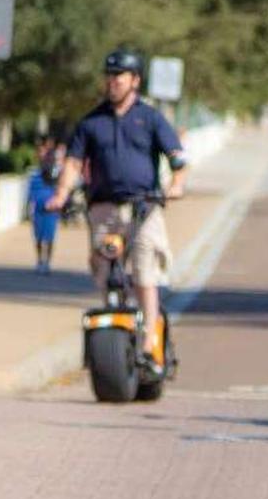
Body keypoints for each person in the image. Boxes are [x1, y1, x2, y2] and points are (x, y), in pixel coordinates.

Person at [45, 50, 187, 367]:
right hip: (103, 209)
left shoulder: (149, 118)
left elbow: (177, 156)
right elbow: (73, 162)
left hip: (144, 208)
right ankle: (113, 323)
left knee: (144, 267)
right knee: (105, 267)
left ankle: (150, 336)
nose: (112, 82)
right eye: (109, 76)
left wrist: (176, 184)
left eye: (119, 76)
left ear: (134, 81)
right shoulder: (91, 122)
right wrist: (61, 193)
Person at [26, 138, 67, 274]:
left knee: (49, 237)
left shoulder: (57, 174)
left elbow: (61, 190)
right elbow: (30, 192)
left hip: (52, 209)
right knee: (38, 237)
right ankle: (39, 260)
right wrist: (29, 207)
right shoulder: (35, 174)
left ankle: (47, 262)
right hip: (38, 208)